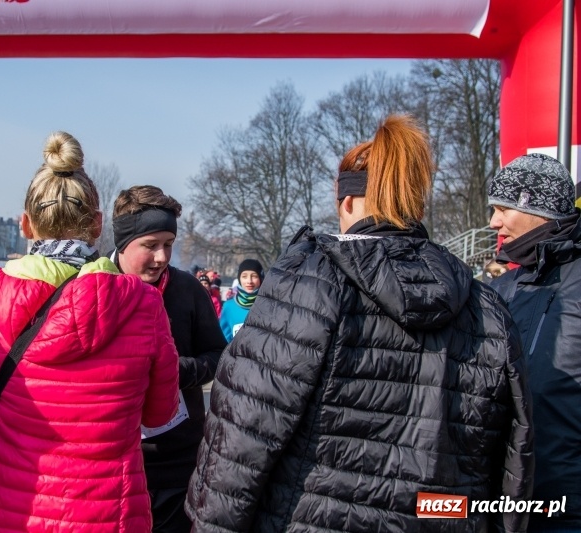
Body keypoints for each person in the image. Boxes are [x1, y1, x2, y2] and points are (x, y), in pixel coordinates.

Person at [186, 115, 533, 532]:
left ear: (347, 202)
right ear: (415, 205)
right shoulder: (488, 306)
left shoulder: (310, 283)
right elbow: (515, 452)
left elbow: (245, 425)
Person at [0, 132, 180, 533]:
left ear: (25, 224)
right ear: (98, 224)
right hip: (106, 513)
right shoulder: (142, 304)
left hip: (4, 507)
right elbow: (160, 412)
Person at [110, 185, 227, 533]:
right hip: (110, 461)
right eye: (150, 245)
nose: (162, 257)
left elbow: (219, 355)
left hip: (177, 463)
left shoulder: (187, 289)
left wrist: (177, 372)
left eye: (169, 245)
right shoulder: (92, 286)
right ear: (122, 243)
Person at [487, 153, 581, 531]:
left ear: (535, 205)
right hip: (505, 509)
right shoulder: (497, 291)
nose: (494, 221)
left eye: (502, 208)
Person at [218, 258, 263, 342]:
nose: (249, 281)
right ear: (239, 279)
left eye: (254, 276)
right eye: (244, 276)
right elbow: (223, 340)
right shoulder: (229, 307)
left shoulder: (269, 305)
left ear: (261, 278)